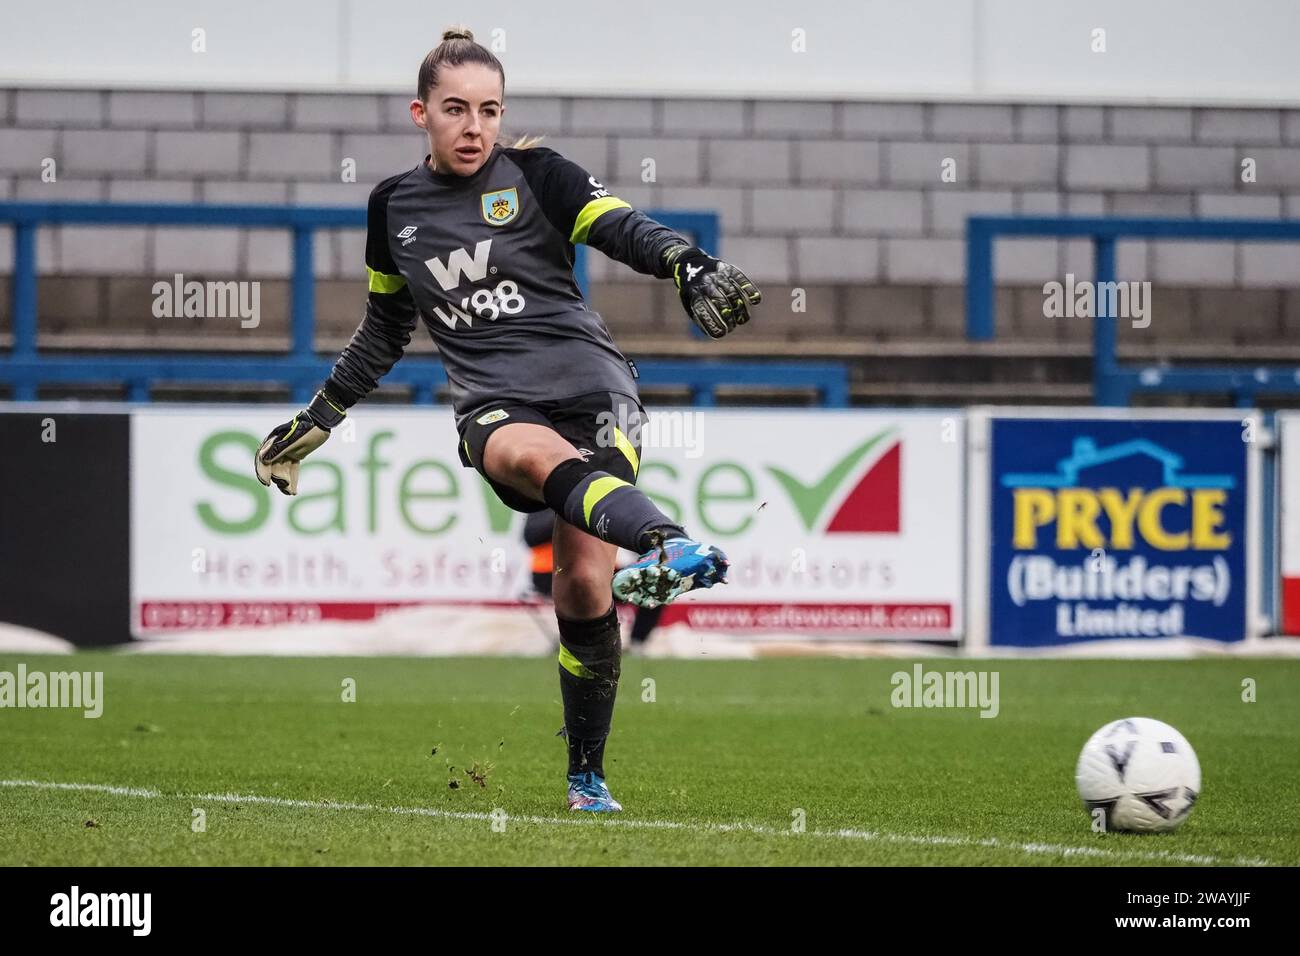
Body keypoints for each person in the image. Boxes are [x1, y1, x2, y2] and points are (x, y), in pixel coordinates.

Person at [254, 26, 761, 813]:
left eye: (489, 109)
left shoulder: (538, 175)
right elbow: (388, 327)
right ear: (419, 113)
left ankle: (586, 778)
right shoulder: (393, 207)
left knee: (585, 587)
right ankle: (669, 542)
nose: (474, 126)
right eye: (455, 109)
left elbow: (619, 224)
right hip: (496, 396)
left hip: (591, 382)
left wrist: (684, 261)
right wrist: (321, 417)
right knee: (525, 454)